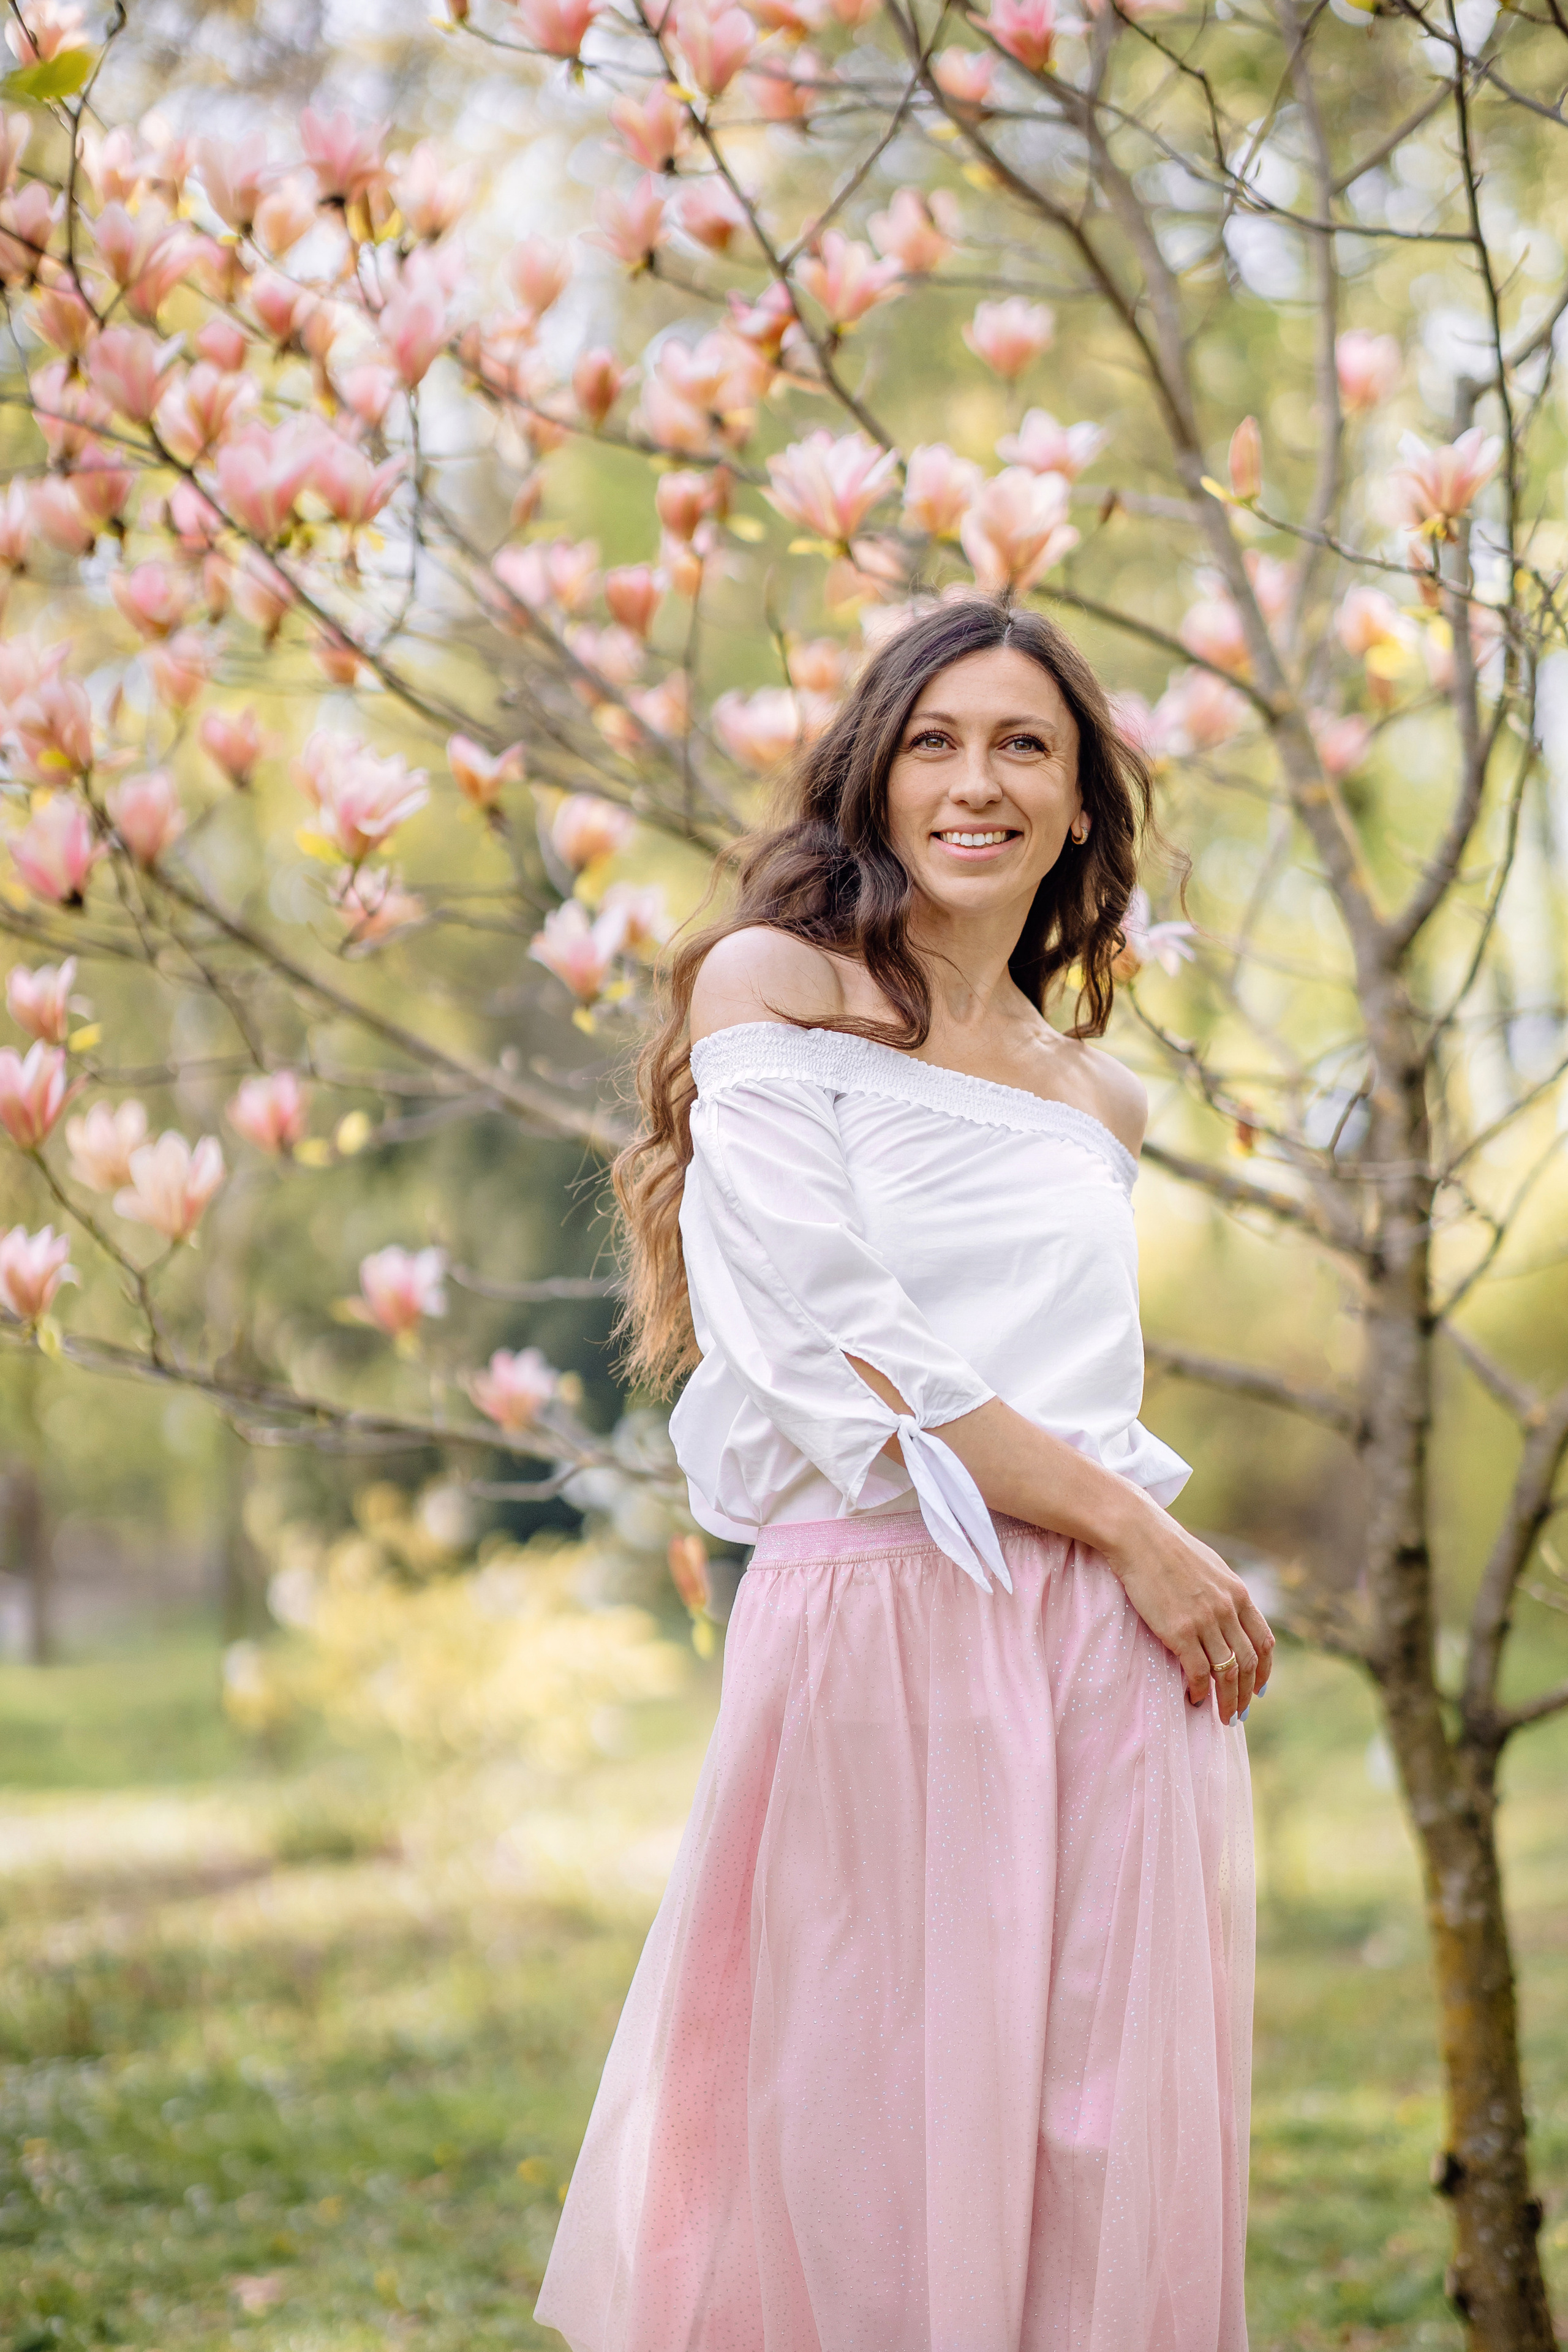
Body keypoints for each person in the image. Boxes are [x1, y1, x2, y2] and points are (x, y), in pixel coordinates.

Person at [535, 594, 1271, 2352]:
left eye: (1025, 745)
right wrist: (1139, 1531)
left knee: (1087, 2144)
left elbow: (1076, 1384)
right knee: (859, 2127)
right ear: (872, 779)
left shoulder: (1103, 1100)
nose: (977, 781)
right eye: (935, 741)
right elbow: (830, 1331)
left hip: (1108, 1652)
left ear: (1083, 802)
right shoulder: (775, 989)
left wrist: (1126, 1554)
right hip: (880, 1620)